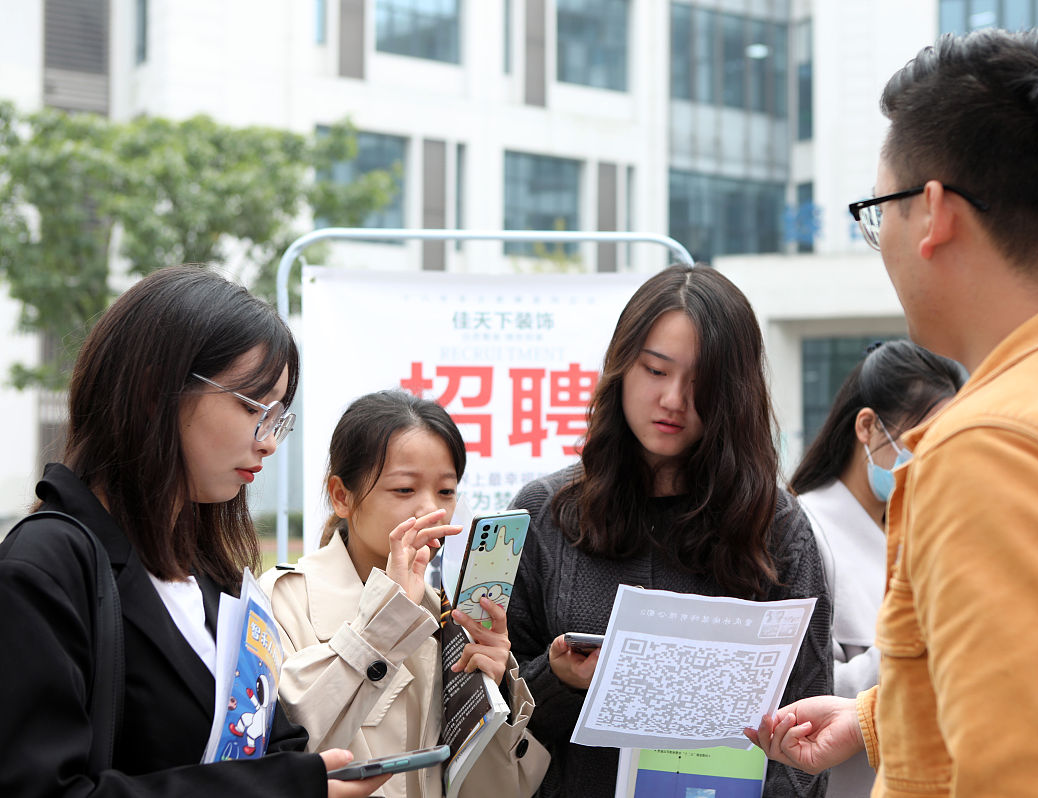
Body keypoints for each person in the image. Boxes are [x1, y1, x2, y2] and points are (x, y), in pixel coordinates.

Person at [748, 29, 1038, 797]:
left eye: (876, 212)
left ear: (933, 214)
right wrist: (879, 718)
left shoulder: (993, 449)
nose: (879, 241)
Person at [0, 265, 384, 798]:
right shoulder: (45, 567)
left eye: (279, 417)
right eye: (254, 407)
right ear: (156, 389)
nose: (269, 441)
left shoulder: (213, 575)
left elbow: (257, 738)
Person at [506, 264, 833, 798]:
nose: (674, 400)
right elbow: (486, 709)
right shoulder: (545, 515)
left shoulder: (776, 527)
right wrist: (557, 679)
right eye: (656, 371)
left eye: (701, 381)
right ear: (621, 368)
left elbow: (808, 731)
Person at [261, 390, 549, 798]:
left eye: (446, 492)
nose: (430, 510)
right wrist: (385, 621)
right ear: (342, 496)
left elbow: (492, 789)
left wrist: (495, 690)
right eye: (404, 490)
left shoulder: (447, 616)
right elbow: (282, 743)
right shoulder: (284, 599)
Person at [788, 339, 964, 798]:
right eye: (917, 441)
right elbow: (801, 686)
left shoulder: (918, 526)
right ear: (867, 426)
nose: (928, 460)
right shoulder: (805, 530)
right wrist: (915, 646)